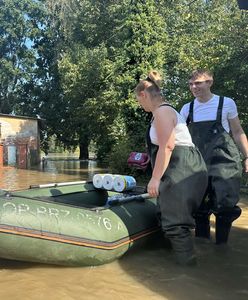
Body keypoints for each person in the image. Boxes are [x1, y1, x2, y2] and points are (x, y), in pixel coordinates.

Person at [135, 70, 208, 266]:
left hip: (183, 168)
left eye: (139, 101)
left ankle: (187, 275)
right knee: (168, 217)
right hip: (185, 166)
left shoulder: (161, 112)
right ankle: (173, 264)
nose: (140, 105)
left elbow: (167, 145)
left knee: (176, 225)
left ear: (143, 94)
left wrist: (155, 178)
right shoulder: (166, 111)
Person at [180, 69, 248, 245]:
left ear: (210, 82)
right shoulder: (187, 108)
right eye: (191, 84)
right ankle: (203, 248)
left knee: (225, 204)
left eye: (198, 83)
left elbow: (238, 131)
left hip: (224, 161)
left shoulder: (226, 103)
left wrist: (247, 156)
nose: (194, 87)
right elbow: (178, 137)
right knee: (198, 206)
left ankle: (221, 247)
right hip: (196, 163)